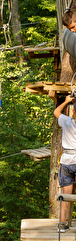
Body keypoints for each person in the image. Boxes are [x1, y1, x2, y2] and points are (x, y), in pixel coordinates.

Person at [54, 94, 76, 233]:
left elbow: (56, 112)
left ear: (74, 111)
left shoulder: (67, 121)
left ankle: (62, 224)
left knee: (66, 195)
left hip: (68, 161)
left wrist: (67, 101)